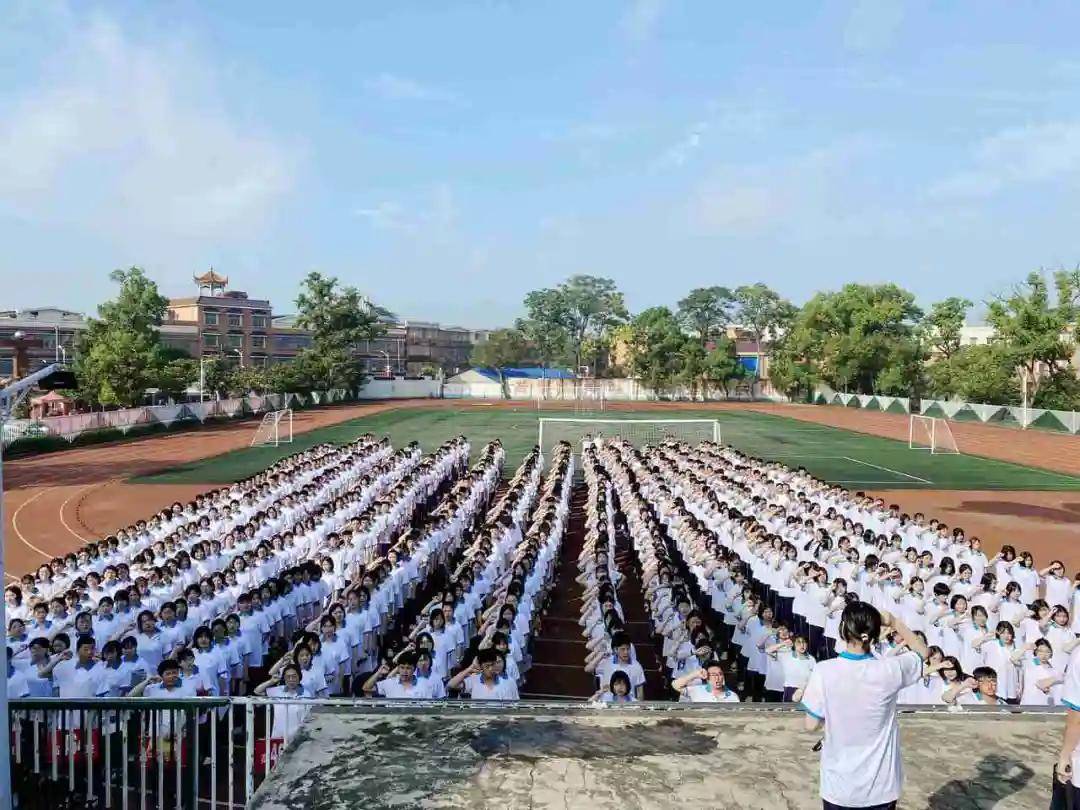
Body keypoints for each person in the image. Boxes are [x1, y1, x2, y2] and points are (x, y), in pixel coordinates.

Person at [800, 602, 928, 810]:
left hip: (838, 786)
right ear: (876, 633)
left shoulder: (824, 671)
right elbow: (923, 652)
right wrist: (894, 622)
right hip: (881, 786)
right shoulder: (890, 669)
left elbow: (810, 725)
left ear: (843, 630)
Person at [672, 660, 739, 703]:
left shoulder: (732, 696)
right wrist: (695, 674)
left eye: (720, 674)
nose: (717, 678)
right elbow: (676, 685)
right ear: (707, 677)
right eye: (713, 675)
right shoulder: (697, 690)